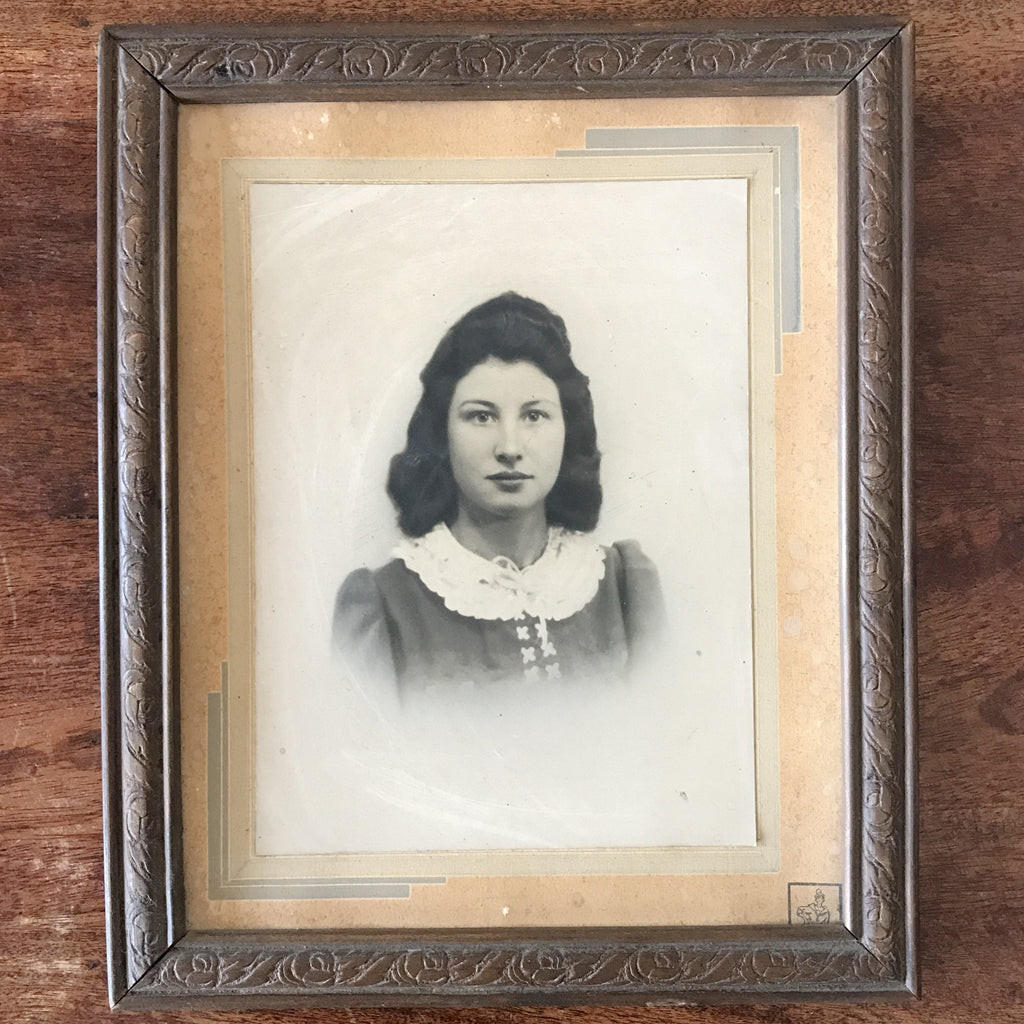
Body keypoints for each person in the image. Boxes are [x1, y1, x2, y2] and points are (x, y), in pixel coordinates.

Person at [333, 292, 666, 691]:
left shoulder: (624, 586)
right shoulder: (382, 605)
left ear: (568, 430)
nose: (509, 447)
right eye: (482, 416)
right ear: (442, 434)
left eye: (534, 415)